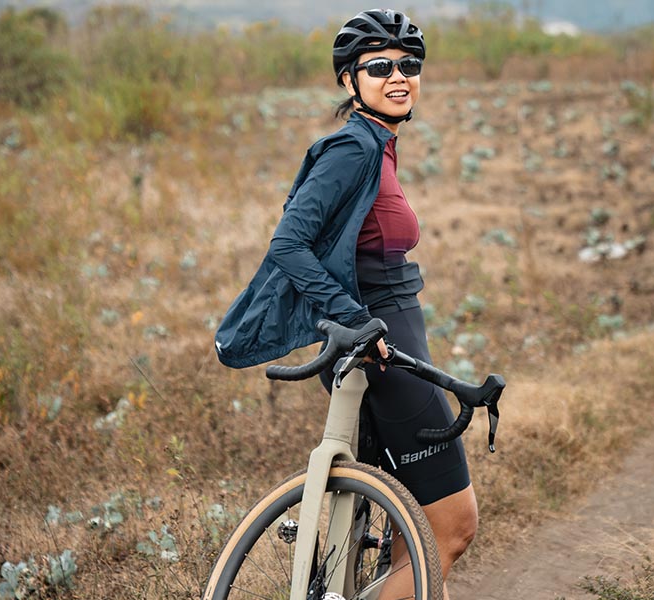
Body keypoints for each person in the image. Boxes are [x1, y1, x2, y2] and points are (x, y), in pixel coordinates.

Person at [214, 9, 477, 598]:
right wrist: (355, 318)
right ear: (348, 80)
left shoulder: (377, 144)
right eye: (379, 66)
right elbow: (289, 242)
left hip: (391, 343)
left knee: (412, 529)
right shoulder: (353, 148)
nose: (399, 76)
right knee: (454, 528)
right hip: (385, 353)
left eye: (409, 65)